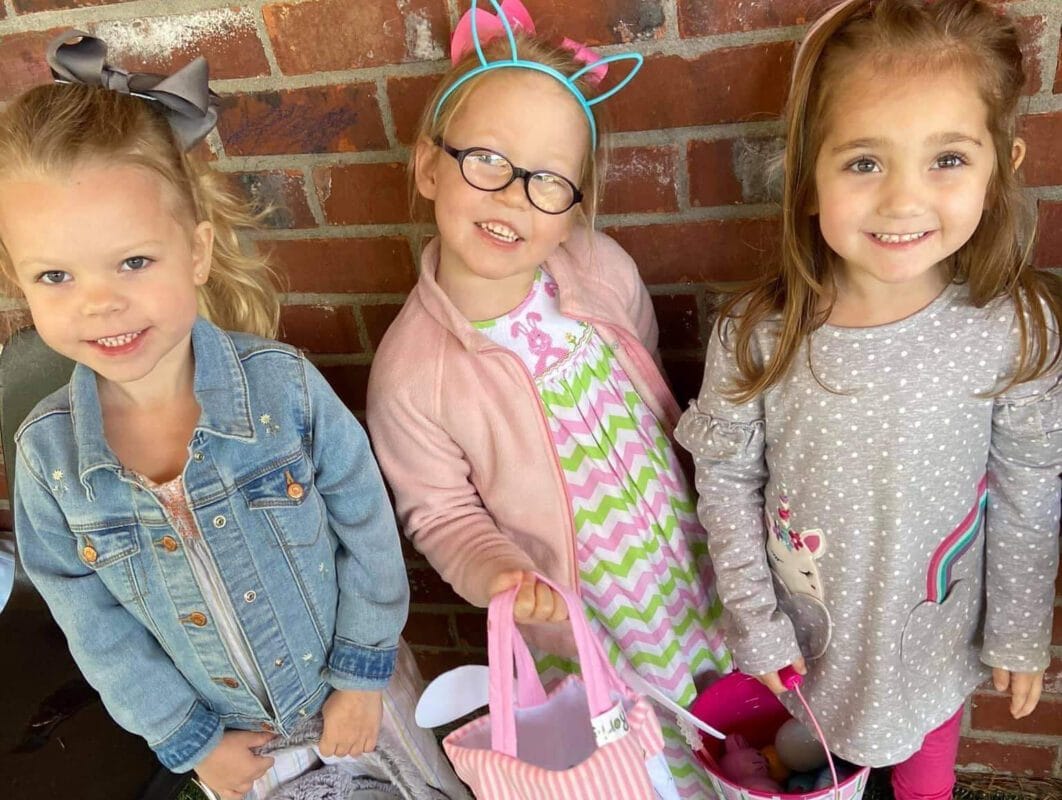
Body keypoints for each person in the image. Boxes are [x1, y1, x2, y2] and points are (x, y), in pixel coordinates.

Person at [1, 31, 414, 800]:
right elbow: (92, 625)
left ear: (194, 252)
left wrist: (362, 674)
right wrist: (189, 743)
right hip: (235, 750)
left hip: (358, 704)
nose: (99, 302)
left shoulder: (283, 391)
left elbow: (367, 524)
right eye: (55, 275)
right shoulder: (48, 461)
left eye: (133, 261)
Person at [675, 2, 1061, 798]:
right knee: (806, 765)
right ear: (808, 176)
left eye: (947, 159)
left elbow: (1029, 487)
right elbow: (725, 484)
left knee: (925, 777)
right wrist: (755, 620)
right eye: (863, 163)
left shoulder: (1013, 328)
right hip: (807, 643)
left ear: (1001, 169)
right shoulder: (756, 335)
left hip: (932, 634)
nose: (903, 201)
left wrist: (1020, 632)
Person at [366, 2, 730, 795]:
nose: (513, 198)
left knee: (726, 700)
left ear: (573, 207)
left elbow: (649, 375)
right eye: (486, 161)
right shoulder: (412, 370)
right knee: (638, 741)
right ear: (430, 165)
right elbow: (440, 513)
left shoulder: (601, 269)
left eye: (548, 181)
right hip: (582, 601)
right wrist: (498, 572)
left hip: (682, 542)